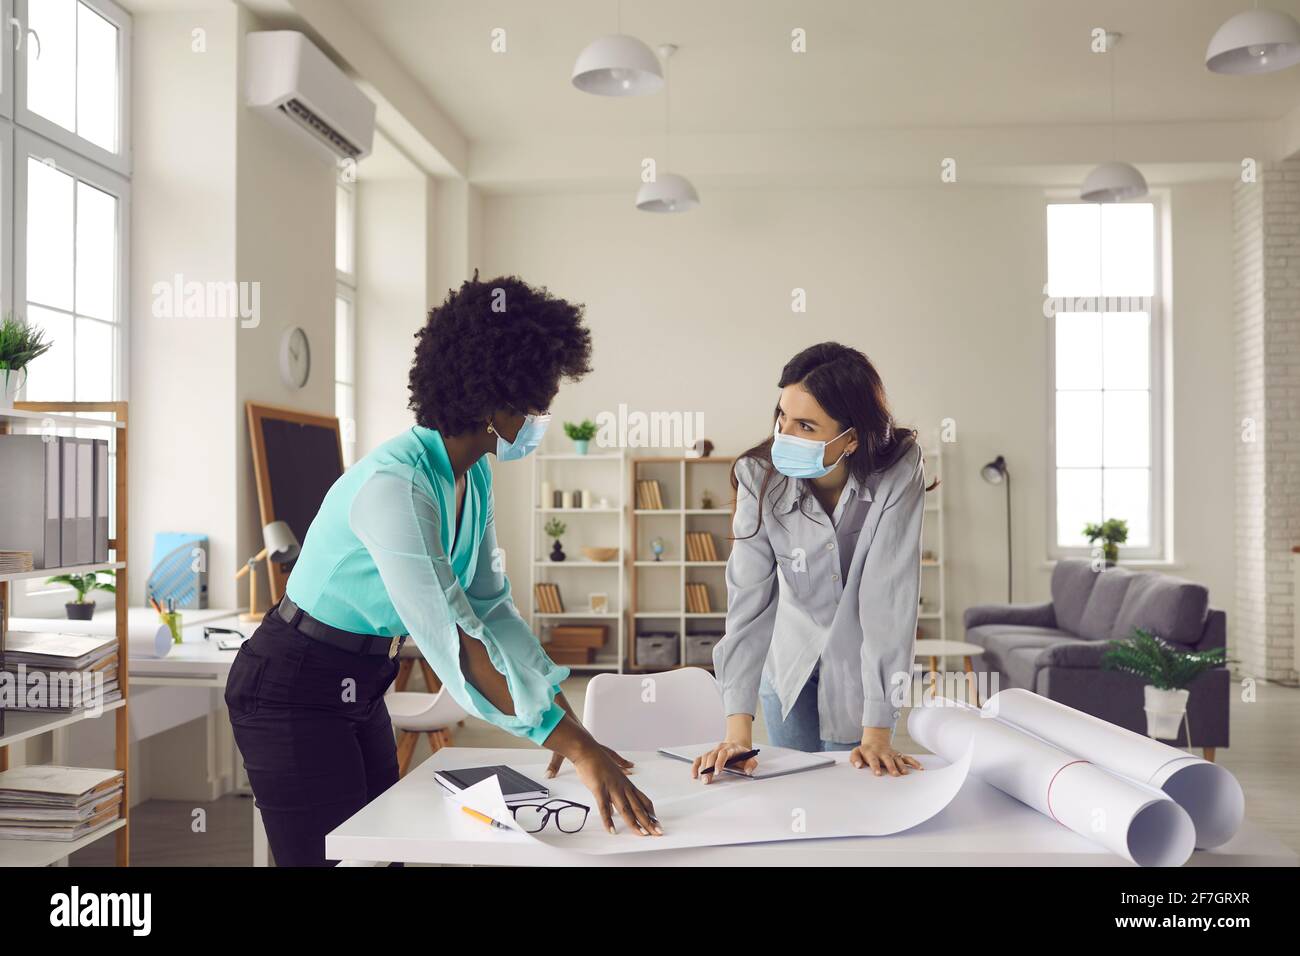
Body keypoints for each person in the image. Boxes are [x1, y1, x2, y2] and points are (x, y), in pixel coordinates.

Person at [225, 273, 660, 866]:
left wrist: (555, 708)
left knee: (385, 854)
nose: (542, 413)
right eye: (536, 400)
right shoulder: (397, 486)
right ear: (493, 402)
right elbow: (454, 642)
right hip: (291, 684)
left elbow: (490, 607)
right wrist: (577, 748)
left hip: (361, 680)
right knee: (331, 862)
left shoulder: (471, 474)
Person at [693, 342, 930, 783]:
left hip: (859, 662)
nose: (785, 435)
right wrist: (736, 733)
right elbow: (749, 600)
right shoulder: (756, 475)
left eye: (806, 426)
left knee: (855, 785)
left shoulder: (898, 469)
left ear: (852, 437)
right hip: (788, 653)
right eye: (782, 416)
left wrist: (878, 730)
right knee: (793, 788)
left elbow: (888, 596)